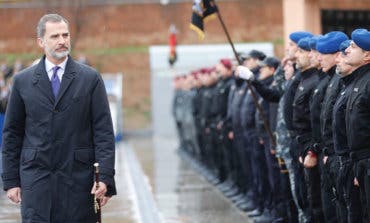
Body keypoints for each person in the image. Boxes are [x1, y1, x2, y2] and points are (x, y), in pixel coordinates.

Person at [1, 14, 116, 222]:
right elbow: (12, 134)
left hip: (79, 182)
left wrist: (105, 177)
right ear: (41, 42)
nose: (62, 41)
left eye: (65, 35)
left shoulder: (90, 79)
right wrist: (11, 180)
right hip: (37, 182)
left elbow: (104, 132)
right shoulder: (22, 82)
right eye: (55, 36)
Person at [345, 28, 370, 222]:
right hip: (359, 162)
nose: (347, 50)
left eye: (353, 47)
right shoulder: (359, 81)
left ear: (367, 55)